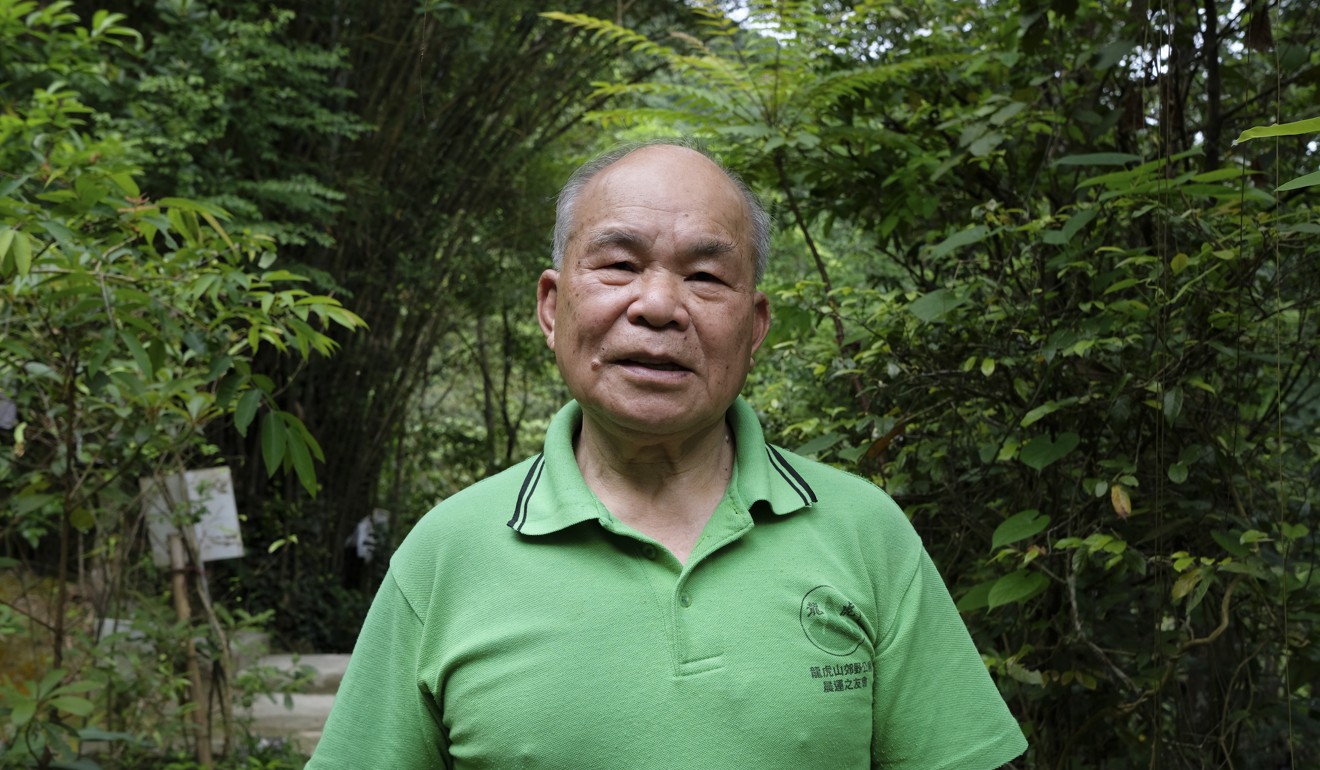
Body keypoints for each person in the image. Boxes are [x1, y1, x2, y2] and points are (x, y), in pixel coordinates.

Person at [307, 142, 1027, 769]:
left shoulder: (865, 533)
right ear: (553, 307)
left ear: (755, 325)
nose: (657, 305)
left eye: (706, 277)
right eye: (619, 265)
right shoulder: (448, 554)